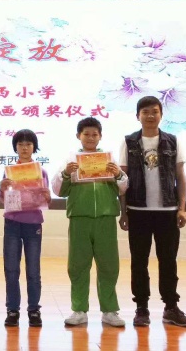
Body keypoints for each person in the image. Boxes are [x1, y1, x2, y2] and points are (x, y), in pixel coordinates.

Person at [119, 96, 186, 328]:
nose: (150, 116)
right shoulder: (128, 142)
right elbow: (122, 180)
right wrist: (123, 212)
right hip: (137, 210)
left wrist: (182, 208)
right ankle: (141, 308)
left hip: (167, 211)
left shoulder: (173, 141)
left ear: (161, 114)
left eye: (154, 111)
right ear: (137, 116)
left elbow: (180, 177)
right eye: (145, 112)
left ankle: (171, 307)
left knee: (168, 261)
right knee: (139, 262)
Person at [51, 117, 128, 328]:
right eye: (86, 134)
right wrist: (66, 173)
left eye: (95, 134)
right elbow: (58, 190)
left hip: (105, 218)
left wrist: (118, 174)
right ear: (79, 136)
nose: (91, 138)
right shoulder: (71, 160)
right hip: (80, 217)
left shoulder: (109, 160)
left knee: (109, 265)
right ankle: (79, 310)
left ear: (100, 136)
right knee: (77, 265)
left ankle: (110, 311)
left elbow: (124, 187)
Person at [0, 129, 51, 327]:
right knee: (11, 269)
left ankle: (34, 310)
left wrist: (47, 197)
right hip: (12, 222)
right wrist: (2, 189)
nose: (24, 147)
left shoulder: (41, 172)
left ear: (34, 147)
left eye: (28, 144)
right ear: (15, 147)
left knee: (33, 270)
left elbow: (46, 200)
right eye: (20, 144)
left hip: (33, 223)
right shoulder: (9, 171)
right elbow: (4, 199)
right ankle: (12, 310)